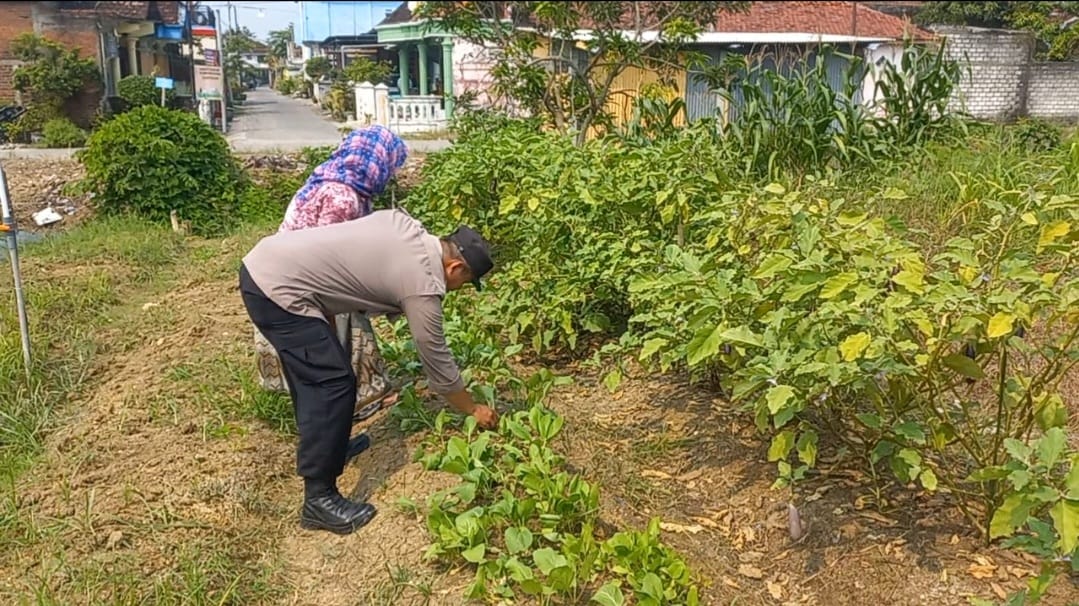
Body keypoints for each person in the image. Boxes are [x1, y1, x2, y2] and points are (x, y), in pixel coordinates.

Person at [239, 207, 498, 535]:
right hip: (276, 289)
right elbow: (437, 360)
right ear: (456, 267)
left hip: (270, 264)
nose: (459, 289)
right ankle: (318, 500)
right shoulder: (422, 280)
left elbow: (344, 263)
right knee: (331, 384)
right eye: (465, 282)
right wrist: (473, 408)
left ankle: (330, 446)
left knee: (322, 376)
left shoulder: (406, 227)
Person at [253, 125, 408, 422]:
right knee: (347, 334)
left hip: (285, 277)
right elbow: (327, 261)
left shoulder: (336, 180)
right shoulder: (343, 196)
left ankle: (338, 408)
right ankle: (355, 405)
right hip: (297, 285)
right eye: (390, 165)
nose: (391, 175)